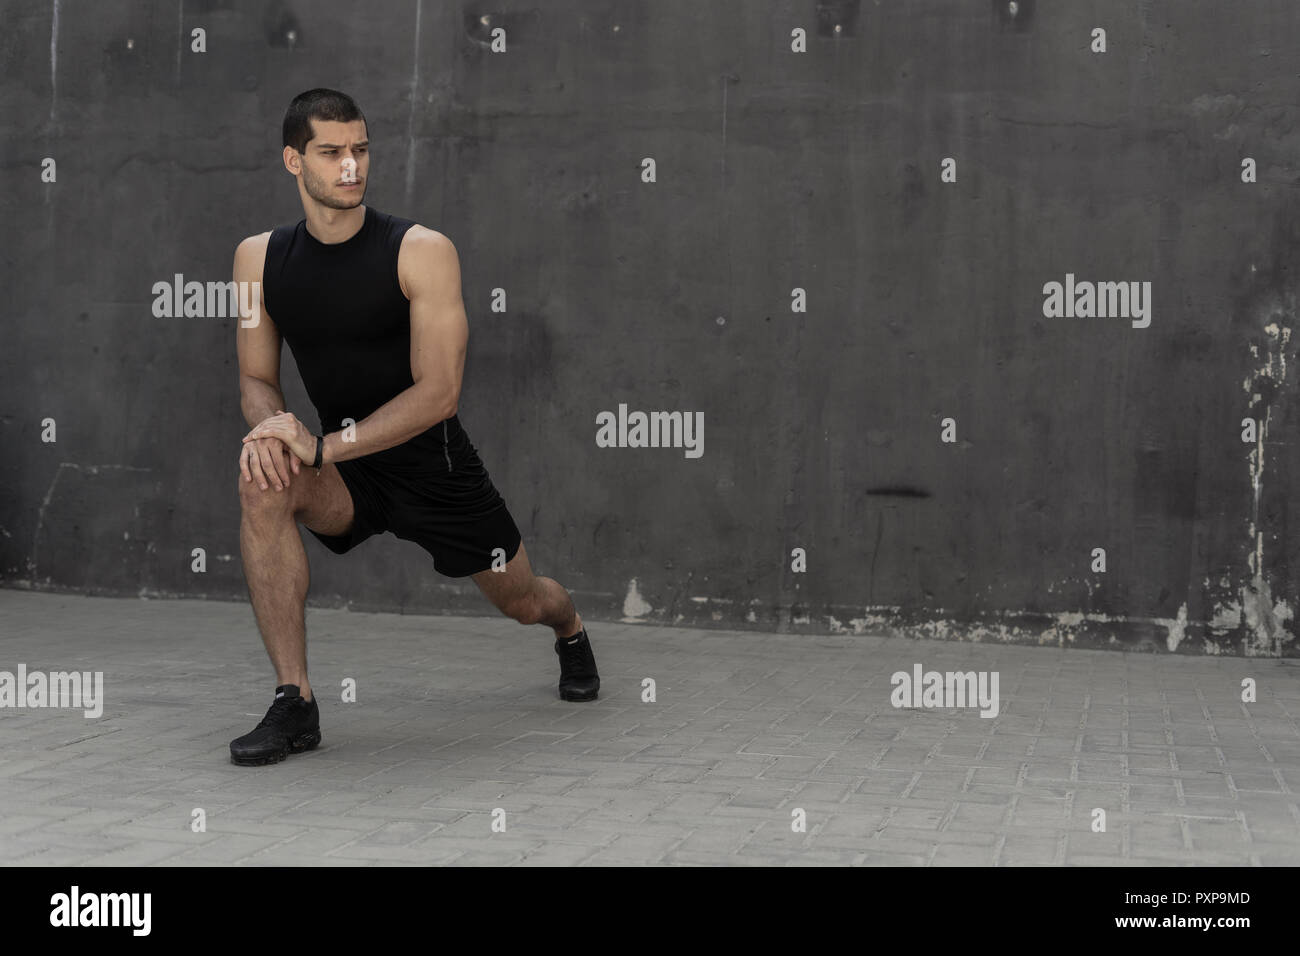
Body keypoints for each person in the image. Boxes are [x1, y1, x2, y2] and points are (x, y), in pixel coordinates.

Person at [227, 88, 598, 767]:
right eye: (331, 152)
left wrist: (318, 444)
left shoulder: (421, 250)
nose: (351, 167)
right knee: (263, 482)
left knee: (523, 600)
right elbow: (256, 378)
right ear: (292, 160)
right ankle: (296, 701)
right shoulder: (257, 259)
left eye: (360, 150)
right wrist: (270, 430)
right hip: (340, 470)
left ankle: (569, 628)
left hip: (436, 469)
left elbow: (440, 393)